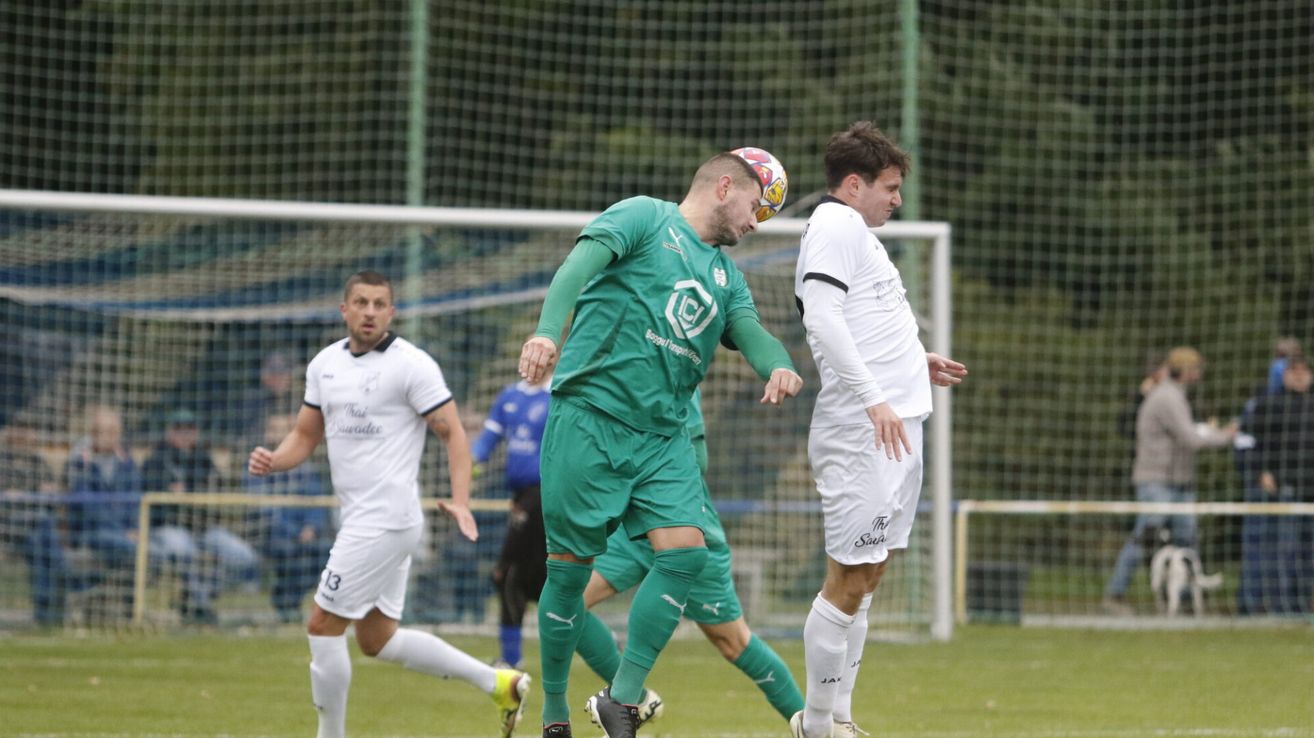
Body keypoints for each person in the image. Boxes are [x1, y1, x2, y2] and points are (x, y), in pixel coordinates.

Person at [518, 149, 804, 738]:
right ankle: (554, 713)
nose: (756, 224)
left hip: (663, 438)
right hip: (590, 420)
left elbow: (754, 335)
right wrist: (547, 331)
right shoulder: (643, 217)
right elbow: (574, 269)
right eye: (756, 207)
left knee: (686, 552)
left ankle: (620, 700)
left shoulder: (728, 278)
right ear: (726, 186)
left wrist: (777, 366)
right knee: (568, 578)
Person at [246, 271, 529, 738]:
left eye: (380, 304)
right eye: (361, 302)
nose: (370, 311)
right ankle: (498, 682)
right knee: (376, 639)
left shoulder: (411, 365)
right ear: (345, 309)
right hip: (362, 520)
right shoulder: (324, 365)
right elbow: (305, 435)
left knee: (321, 624)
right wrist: (274, 461)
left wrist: (462, 501)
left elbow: (454, 432)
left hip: (386, 519)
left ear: (391, 312)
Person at [791, 122, 968, 738]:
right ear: (854, 184)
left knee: (871, 574)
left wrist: (914, 360)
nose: (897, 199)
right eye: (890, 187)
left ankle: (839, 718)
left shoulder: (858, 236)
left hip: (897, 425)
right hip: (863, 430)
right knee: (847, 578)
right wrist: (873, 398)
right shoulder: (837, 225)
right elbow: (823, 315)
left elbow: (861, 321)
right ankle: (814, 723)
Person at [573, 390, 805, 730]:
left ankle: (810, 725)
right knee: (565, 605)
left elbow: (697, 459)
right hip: (633, 527)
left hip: (681, 527)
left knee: (733, 641)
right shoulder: (610, 370)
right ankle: (630, 701)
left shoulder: (675, 364)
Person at [1102, 346, 1237, 614]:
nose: (1199, 374)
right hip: (1157, 481)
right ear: (1184, 370)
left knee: (1186, 538)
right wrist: (1225, 435)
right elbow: (1190, 437)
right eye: (1195, 368)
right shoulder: (1167, 397)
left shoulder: (1178, 396)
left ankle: (1186, 598)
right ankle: (1115, 594)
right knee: (1146, 536)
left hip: (1179, 481)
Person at [143, 408, 261, 623]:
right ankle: (198, 604)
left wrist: (187, 493)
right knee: (185, 551)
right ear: (169, 432)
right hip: (168, 527)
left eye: (189, 429)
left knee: (244, 557)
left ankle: (200, 595)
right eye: (179, 430)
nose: (185, 435)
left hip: (204, 528)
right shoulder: (156, 460)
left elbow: (217, 491)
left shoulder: (203, 459)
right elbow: (153, 502)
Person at [471, 367, 552, 669]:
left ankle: (510, 662)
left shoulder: (558, 396)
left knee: (506, 574)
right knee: (543, 583)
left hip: (545, 494)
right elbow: (488, 440)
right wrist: (470, 461)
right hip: (521, 497)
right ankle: (605, 641)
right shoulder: (509, 396)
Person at [242, 412, 333, 623]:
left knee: (326, 552)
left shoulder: (304, 467)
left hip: (306, 534)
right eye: (275, 430)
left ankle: (291, 601)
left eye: (284, 430)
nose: (279, 435)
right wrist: (294, 531)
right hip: (271, 534)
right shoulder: (260, 461)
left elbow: (316, 500)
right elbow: (264, 508)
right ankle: (283, 600)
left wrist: (311, 526)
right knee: (288, 551)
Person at [1244, 354, 1314, 614]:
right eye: (1293, 370)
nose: (1299, 374)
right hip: (1286, 487)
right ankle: (1283, 607)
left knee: (1308, 554)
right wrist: (1260, 472)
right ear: (1285, 375)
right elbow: (1250, 443)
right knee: (1285, 551)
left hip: (1311, 490)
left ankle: (1303, 606)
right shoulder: (1270, 405)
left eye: (1303, 370)